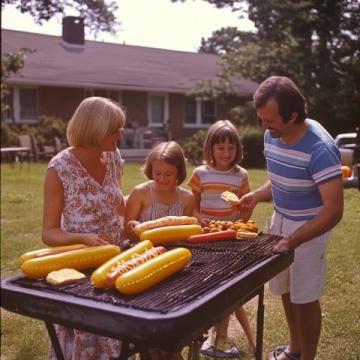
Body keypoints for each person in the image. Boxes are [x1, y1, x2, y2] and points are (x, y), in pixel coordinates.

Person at [238, 76, 343, 360]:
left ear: (293, 115)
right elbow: (281, 179)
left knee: (305, 298)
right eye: (261, 119)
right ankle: (294, 350)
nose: (263, 127)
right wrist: (257, 195)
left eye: (269, 120)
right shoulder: (272, 135)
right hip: (280, 220)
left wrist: (294, 239)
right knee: (285, 290)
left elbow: (333, 210)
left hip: (309, 227)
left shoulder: (320, 148)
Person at [42, 96, 126, 359]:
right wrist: (84, 238)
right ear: (96, 129)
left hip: (115, 264)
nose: (120, 135)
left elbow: (116, 203)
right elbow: (49, 232)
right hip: (79, 269)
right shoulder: (59, 168)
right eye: (115, 129)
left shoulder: (113, 158)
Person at [187, 120, 256, 357]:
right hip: (206, 237)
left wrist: (243, 208)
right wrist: (200, 219)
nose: (226, 153)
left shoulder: (241, 176)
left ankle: (219, 337)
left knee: (226, 286)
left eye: (231, 148)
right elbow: (193, 209)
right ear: (210, 148)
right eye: (220, 148)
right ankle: (202, 331)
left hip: (230, 238)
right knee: (203, 284)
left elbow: (246, 211)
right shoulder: (200, 174)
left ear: (238, 149)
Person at [124, 141, 194, 360]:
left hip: (174, 266)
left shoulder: (187, 198)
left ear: (179, 174)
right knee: (148, 331)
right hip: (143, 262)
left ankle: (172, 350)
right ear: (150, 171)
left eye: (168, 175)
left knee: (171, 327)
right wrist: (135, 230)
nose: (162, 179)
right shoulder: (141, 193)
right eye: (157, 174)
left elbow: (189, 233)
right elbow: (127, 231)